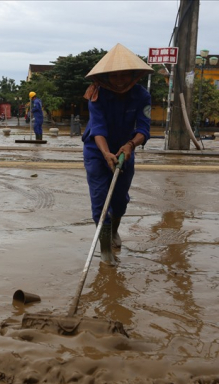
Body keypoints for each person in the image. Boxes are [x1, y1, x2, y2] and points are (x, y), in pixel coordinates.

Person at [81, 43, 153, 265]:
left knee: (120, 200)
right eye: (115, 76)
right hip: (97, 151)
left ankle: (114, 231)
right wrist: (105, 153)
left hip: (125, 151)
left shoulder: (142, 96)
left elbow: (144, 128)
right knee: (100, 200)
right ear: (107, 77)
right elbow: (98, 128)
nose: (120, 80)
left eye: (125, 75)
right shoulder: (96, 95)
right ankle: (104, 251)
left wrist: (130, 145)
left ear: (133, 75)